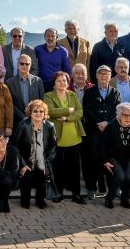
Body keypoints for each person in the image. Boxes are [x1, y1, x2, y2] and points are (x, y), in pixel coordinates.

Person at [44, 71, 85, 204]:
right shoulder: (48, 96)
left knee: (74, 168)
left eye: (65, 80)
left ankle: (76, 194)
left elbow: (79, 112)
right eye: (59, 80)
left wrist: (67, 118)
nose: (63, 83)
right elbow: (50, 111)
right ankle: (58, 193)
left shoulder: (72, 95)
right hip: (58, 137)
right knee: (58, 168)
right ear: (54, 84)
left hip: (74, 136)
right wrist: (69, 109)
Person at [82, 65, 121, 199]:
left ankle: (113, 188)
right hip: (94, 131)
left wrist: (107, 123)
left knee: (110, 160)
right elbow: (87, 110)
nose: (104, 76)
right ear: (97, 75)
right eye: (101, 74)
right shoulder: (89, 92)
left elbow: (118, 111)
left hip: (109, 132)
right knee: (93, 160)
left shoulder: (115, 92)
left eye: (107, 74)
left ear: (110, 76)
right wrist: (98, 123)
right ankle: (92, 188)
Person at [13, 100, 57, 209]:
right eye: (35, 111)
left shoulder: (50, 126)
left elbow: (53, 147)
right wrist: (23, 165)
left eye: (41, 111)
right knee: (25, 202)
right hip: (26, 161)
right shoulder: (23, 125)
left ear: (44, 113)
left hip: (42, 160)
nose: (38, 114)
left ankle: (40, 200)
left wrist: (47, 163)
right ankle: (25, 199)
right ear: (30, 113)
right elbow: (15, 147)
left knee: (41, 191)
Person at [101, 102, 130, 209]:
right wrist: (105, 161)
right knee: (120, 176)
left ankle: (125, 199)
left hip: (128, 157)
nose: (127, 118)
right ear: (119, 115)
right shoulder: (111, 126)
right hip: (112, 157)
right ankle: (109, 198)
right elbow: (102, 144)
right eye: (124, 115)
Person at [5, 54, 44, 133]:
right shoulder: (9, 82)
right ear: (17, 64)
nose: (24, 66)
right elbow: (10, 103)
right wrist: (23, 117)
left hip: (36, 120)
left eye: (27, 64)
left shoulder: (38, 81)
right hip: (18, 121)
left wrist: (33, 115)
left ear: (30, 65)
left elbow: (41, 101)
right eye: (22, 63)